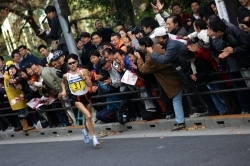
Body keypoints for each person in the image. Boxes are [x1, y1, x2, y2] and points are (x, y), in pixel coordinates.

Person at [136, 37, 184, 130]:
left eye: (140, 46)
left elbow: (144, 69)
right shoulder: (158, 47)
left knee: (176, 99)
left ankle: (180, 121)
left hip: (170, 79)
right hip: (175, 75)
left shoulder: (151, 57)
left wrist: (139, 59)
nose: (140, 48)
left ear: (144, 46)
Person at [207, 15, 250, 114]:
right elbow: (220, 46)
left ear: (217, 31)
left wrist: (233, 50)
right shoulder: (223, 34)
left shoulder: (233, 30)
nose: (209, 31)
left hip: (245, 61)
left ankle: (246, 108)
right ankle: (246, 108)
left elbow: (247, 44)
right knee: (243, 86)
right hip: (239, 62)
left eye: (211, 29)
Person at [60, 54, 100, 146]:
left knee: (87, 118)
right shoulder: (66, 75)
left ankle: (85, 131)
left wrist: (83, 77)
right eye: (70, 63)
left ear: (77, 62)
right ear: (67, 65)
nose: (72, 65)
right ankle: (94, 138)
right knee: (89, 116)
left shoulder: (84, 71)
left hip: (86, 96)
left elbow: (90, 84)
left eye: (74, 62)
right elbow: (62, 82)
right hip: (76, 99)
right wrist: (63, 91)